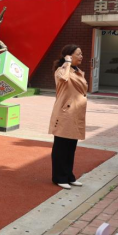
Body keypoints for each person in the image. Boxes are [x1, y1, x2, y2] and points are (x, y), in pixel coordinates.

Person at [49, 45, 87, 190]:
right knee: (61, 147)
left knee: (71, 147)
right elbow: (63, 79)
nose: (81, 56)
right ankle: (59, 177)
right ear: (69, 56)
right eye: (79, 54)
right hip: (65, 113)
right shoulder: (61, 70)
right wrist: (67, 63)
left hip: (76, 113)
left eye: (81, 53)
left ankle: (69, 176)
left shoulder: (78, 71)